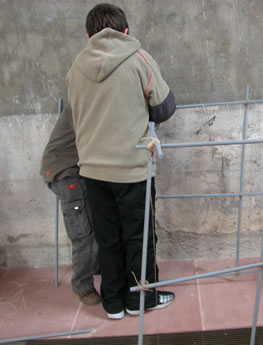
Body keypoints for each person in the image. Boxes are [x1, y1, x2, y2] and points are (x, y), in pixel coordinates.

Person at [65, 3, 176, 319]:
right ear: (125, 31)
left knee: (107, 238)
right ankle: (141, 300)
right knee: (139, 238)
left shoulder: (76, 67)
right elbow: (165, 108)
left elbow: (75, 115)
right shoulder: (138, 58)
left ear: (88, 35)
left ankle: (112, 303)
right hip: (133, 169)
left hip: (93, 171)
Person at [40, 103, 101, 305]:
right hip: (66, 173)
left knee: (93, 223)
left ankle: (96, 265)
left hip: (74, 170)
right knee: (84, 233)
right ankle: (82, 286)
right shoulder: (85, 101)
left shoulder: (85, 94)